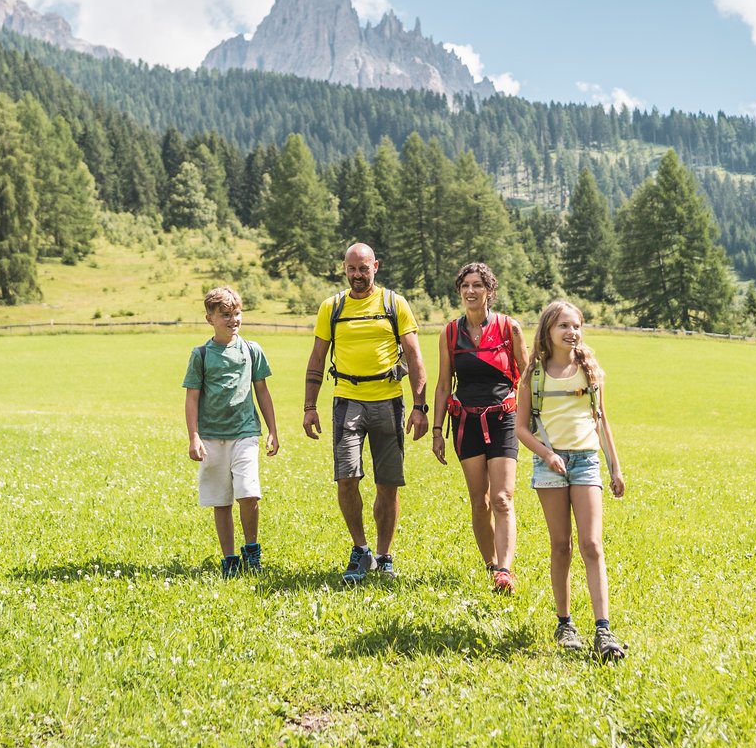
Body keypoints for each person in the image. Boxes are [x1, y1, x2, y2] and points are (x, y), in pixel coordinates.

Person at [301, 243, 429, 583]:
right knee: (347, 478)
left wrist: (419, 406)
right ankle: (361, 550)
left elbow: (415, 357)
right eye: (352, 269)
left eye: (364, 268)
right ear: (344, 268)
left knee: (388, 483)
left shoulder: (394, 304)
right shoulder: (332, 307)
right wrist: (309, 407)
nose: (358, 275)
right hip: (347, 402)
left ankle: (384, 554)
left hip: (388, 401)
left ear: (376, 266)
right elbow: (316, 359)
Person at [515, 299, 628, 659]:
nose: (572, 332)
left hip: (586, 462)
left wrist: (615, 468)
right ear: (548, 331)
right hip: (549, 463)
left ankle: (604, 630)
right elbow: (520, 428)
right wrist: (547, 454)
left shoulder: (590, 371)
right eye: (564, 325)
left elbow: (602, 420)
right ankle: (565, 623)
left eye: (576, 325)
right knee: (561, 545)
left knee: (592, 545)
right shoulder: (533, 375)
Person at [429, 261, 528, 592]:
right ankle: (491, 566)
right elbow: (444, 384)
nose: (471, 291)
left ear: (490, 291)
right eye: (465, 286)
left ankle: (505, 570)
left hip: (503, 420)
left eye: (477, 285)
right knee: (479, 500)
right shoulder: (450, 332)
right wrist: (436, 430)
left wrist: (532, 422)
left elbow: (526, 378)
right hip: (465, 423)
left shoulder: (508, 328)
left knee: (502, 498)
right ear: (460, 291)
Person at [184, 285, 279, 577]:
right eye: (224, 314)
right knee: (220, 499)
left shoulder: (252, 350)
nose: (232, 320)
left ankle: (252, 551)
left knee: (249, 492)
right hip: (211, 436)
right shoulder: (201, 355)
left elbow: (262, 391)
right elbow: (192, 397)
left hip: (245, 432)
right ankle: (229, 559)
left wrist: (273, 429)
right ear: (209, 318)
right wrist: (194, 437)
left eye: (236, 313)